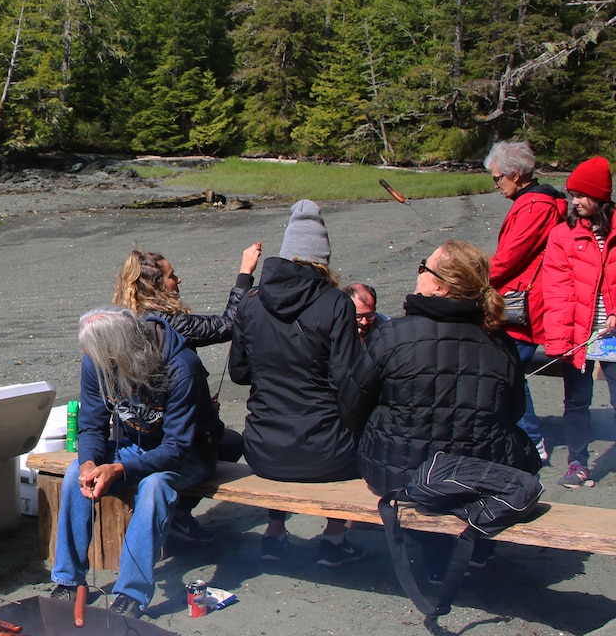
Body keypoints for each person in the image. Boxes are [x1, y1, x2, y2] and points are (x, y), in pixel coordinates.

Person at [342, 241, 542, 594]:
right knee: (517, 452)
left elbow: (351, 405)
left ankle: (441, 557)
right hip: (473, 473)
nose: (418, 272)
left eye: (424, 267)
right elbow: (514, 410)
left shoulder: (393, 334)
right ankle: (471, 551)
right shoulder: (499, 341)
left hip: (398, 472)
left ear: (441, 287)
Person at [48, 307, 220, 617]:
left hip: (190, 453)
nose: (101, 364)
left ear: (121, 351)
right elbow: (91, 425)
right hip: (136, 447)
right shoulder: (96, 362)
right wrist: (89, 463)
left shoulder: (182, 367)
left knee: (154, 487)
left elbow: (177, 448)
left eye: (107, 360)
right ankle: (69, 580)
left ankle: (131, 593)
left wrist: (119, 469)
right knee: (75, 474)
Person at [229, 200, 364, 566]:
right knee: (349, 425)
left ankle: (274, 532)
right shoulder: (336, 303)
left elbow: (239, 374)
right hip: (327, 454)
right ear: (323, 258)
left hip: (263, 450)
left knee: (283, 418)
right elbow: (347, 381)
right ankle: (334, 538)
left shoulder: (251, 302)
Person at [111, 243, 257, 541]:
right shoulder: (170, 324)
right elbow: (228, 324)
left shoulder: (122, 320)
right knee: (230, 443)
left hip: (136, 429)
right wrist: (245, 274)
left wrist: (196, 402)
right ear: (155, 286)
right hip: (162, 437)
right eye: (171, 276)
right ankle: (176, 514)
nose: (178, 281)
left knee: (223, 441)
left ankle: (176, 514)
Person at [538, 156, 616, 488]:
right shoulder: (562, 235)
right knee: (576, 401)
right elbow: (555, 291)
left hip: (611, 334)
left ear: (601, 196)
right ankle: (577, 463)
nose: (575, 202)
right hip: (579, 334)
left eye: (582, 195)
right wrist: (559, 341)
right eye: (572, 195)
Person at [486, 139, 565, 461]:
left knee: (509, 371)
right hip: (529, 298)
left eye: (497, 178)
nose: (496, 185)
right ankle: (525, 437)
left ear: (515, 175)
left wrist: (470, 276)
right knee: (509, 369)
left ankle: (531, 441)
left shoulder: (535, 206)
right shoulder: (538, 201)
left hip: (525, 303)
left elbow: (508, 259)